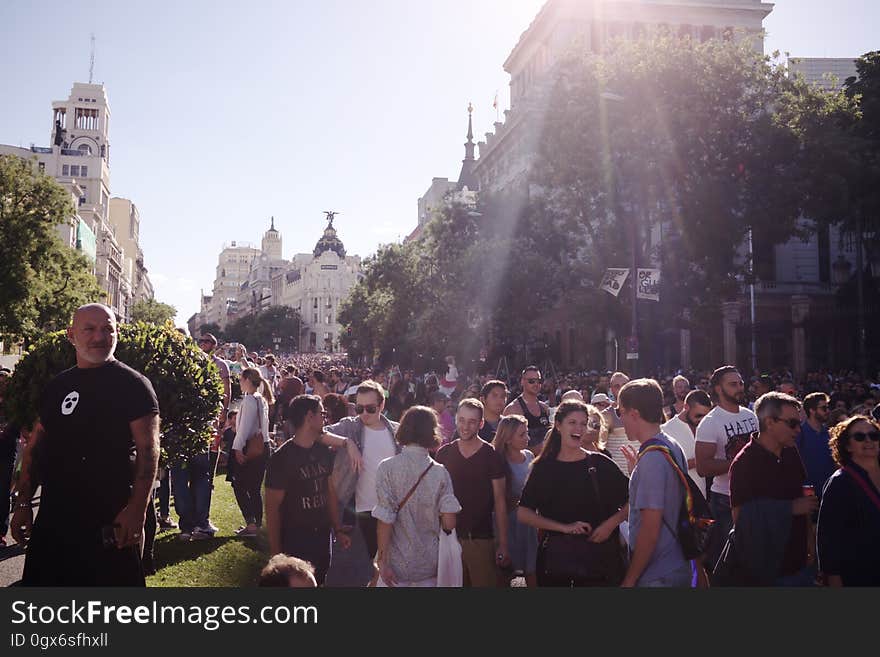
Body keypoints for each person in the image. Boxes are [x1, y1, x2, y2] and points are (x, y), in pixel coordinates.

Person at [13, 304, 160, 586]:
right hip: (55, 521)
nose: (99, 337)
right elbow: (35, 447)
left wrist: (137, 508)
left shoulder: (134, 385)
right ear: (71, 335)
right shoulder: (57, 386)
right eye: (89, 329)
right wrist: (22, 502)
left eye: (108, 329)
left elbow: (148, 450)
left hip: (110, 520)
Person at [518, 400, 629, 587]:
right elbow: (524, 513)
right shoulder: (543, 467)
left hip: (600, 564)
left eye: (583, 423)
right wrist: (564, 528)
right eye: (572, 422)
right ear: (559, 425)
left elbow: (632, 499)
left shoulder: (600, 464)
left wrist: (609, 525)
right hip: (557, 563)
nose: (579, 428)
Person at [729, 392, 818, 586]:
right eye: (792, 423)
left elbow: (803, 501)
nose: (798, 430)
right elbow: (740, 519)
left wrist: (810, 543)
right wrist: (790, 508)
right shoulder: (744, 463)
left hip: (800, 562)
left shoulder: (791, 451)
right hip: (768, 568)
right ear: (769, 423)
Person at [265, 395, 352, 586]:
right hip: (296, 538)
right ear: (309, 416)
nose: (325, 419)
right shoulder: (282, 459)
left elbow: (329, 492)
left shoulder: (323, 452)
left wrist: (337, 528)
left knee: (318, 583)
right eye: (322, 413)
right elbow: (272, 509)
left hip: (322, 536)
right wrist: (276, 554)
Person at [372, 406, 460, 587]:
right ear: (433, 432)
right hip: (431, 564)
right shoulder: (440, 473)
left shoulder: (386, 468)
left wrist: (382, 561)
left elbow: (385, 521)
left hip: (396, 565)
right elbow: (449, 523)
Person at [619, 379, 691, 588]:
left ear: (634, 414)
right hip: (677, 562)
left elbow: (650, 529)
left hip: (658, 574)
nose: (619, 418)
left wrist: (630, 579)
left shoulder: (652, 459)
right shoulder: (670, 444)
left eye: (620, 411)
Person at [327, 380, 399, 573]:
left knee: (396, 562)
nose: (364, 414)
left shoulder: (397, 430)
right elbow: (318, 433)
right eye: (359, 408)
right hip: (367, 509)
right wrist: (347, 443)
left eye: (370, 408)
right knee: (377, 562)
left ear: (382, 405)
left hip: (396, 508)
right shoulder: (351, 427)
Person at [436, 399, 510, 587]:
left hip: (481, 539)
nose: (465, 426)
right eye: (461, 420)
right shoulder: (444, 453)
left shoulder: (492, 456)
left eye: (471, 421)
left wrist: (503, 543)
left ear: (481, 423)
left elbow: (500, 502)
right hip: (447, 539)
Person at [695, 365, 758, 568]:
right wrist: (739, 462)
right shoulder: (710, 423)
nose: (740, 387)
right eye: (733, 384)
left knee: (755, 555)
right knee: (727, 561)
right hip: (725, 500)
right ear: (718, 389)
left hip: (755, 495)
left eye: (740, 383)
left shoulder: (751, 415)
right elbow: (703, 467)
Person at [816, 415, 880, 586]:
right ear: (847, 445)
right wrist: (834, 579)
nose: (869, 441)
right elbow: (828, 538)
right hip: (859, 575)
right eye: (859, 437)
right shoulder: (840, 482)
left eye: (874, 435)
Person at [492, 415, 539, 586]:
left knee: (532, 568)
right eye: (522, 434)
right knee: (504, 570)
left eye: (526, 433)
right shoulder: (499, 461)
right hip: (506, 521)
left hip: (528, 521)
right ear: (508, 438)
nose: (527, 438)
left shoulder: (528, 456)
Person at [229, 368, 275, 537]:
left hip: (251, 447)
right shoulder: (260, 399)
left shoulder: (250, 400)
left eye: (241, 379)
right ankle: (254, 523)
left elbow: (244, 428)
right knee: (253, 488)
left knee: (239, 485)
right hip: (262, 447)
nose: (239, 382)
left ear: (247, 379)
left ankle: (251, 522)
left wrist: (237, 448)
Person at [661, 390, 712, 498]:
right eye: (699, 415)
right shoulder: (666, 430)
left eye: (706, 416)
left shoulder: (707, 427)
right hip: (679, 501)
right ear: (686, 407)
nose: (702, 420)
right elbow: (665, 468)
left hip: (703, 498)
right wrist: (699, 462)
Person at [798, 392, 836, 503]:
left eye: (828, 408)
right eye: (824, 408)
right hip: (809, 493)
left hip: (830, 492)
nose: (827, 411)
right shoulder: (799, 433)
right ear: (812, 410)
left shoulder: (830, 433)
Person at [503, 366, 551, 453]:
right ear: (522, 382)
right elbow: (508, 445)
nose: (536, 384)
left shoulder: (544, 408)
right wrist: (540, 448)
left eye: (539, 381)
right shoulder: (513, 409)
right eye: (531, 381)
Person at [602, 372, 641, 476]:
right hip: (617, 476)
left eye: (624, 385)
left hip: (641, 474)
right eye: (616, 386)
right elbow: (601, 446)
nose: (621, 389)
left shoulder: (642, 411)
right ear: (611, 389)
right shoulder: (606, 415)